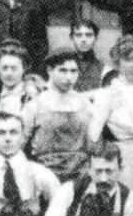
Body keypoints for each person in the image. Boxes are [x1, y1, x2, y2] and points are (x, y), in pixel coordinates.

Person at [88, 33, 133, 194]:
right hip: (125, 160)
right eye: (129, 59)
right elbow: (93, 137)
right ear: (117, 62)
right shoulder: (108, 93)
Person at [21, 47, 93, 183]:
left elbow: (93, 143)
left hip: (80, 176)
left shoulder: (85, 103)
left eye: (73, 71)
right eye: (62, 71)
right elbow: (20, 144)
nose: (69, 77)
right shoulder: (35, 105)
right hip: (45, 176)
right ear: (49, 70)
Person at [70, 19, 105, 94]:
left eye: (88, 35)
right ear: (72, 38)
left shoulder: (102, 69)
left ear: (95, 38)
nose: (83, 40)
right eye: (78, 35)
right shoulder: (64, 66)